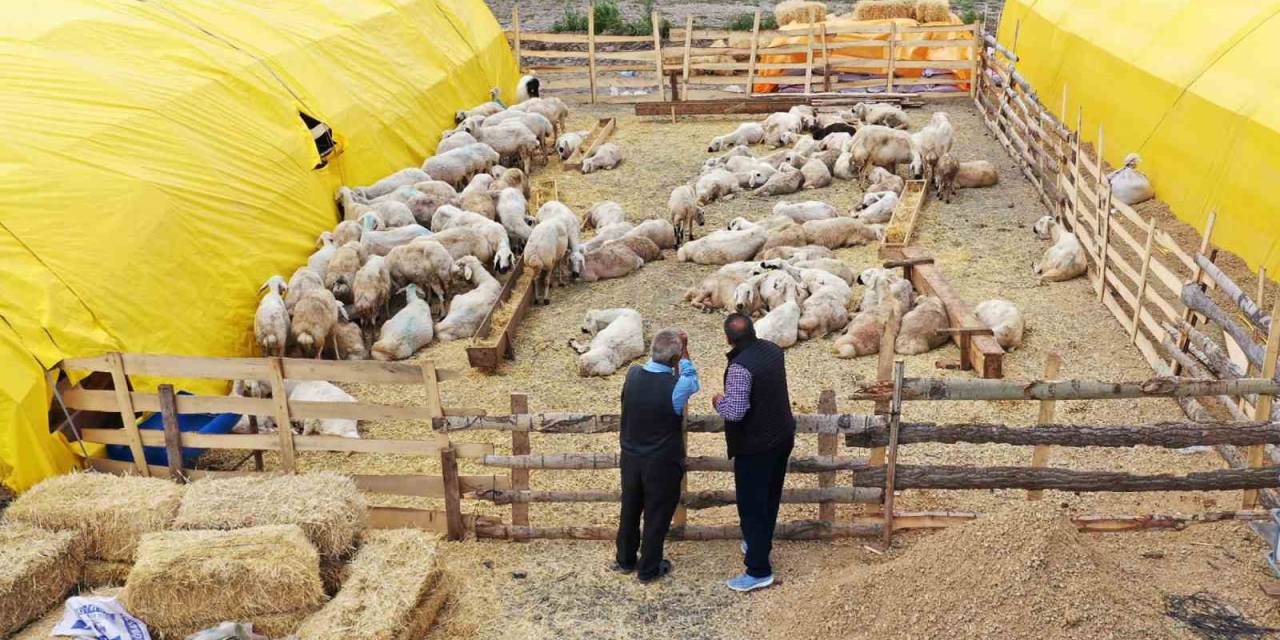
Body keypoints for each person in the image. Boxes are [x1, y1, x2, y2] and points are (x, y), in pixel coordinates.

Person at [713, 313, 795, 592]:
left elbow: (735, 412)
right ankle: (758, 541)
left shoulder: (740, 367)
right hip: (781, 435)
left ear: (727, 338)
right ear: (753, 331)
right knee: (770, 496)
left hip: (756, 445)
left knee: (751, 505)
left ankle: (759, 569)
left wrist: (718, 401)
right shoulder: (772, 350)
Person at [613, 328, 700, 583]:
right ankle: (649, 568)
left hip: (631, 456)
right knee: (657, 514)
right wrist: (684, 351)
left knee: (630, 508)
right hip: (661, 461)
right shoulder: (678, 386)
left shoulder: (632, 374)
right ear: (674, 359)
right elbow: (692, 378)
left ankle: (625, 559)